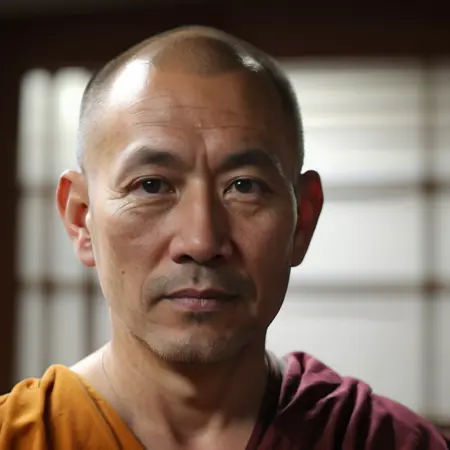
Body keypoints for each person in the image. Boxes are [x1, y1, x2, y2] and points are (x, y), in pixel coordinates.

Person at [0, 25, 448, 450]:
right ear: (81, 219)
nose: (201, 241)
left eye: (244, 186)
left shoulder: (386, 441)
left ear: (302, 220)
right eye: (152, 186)